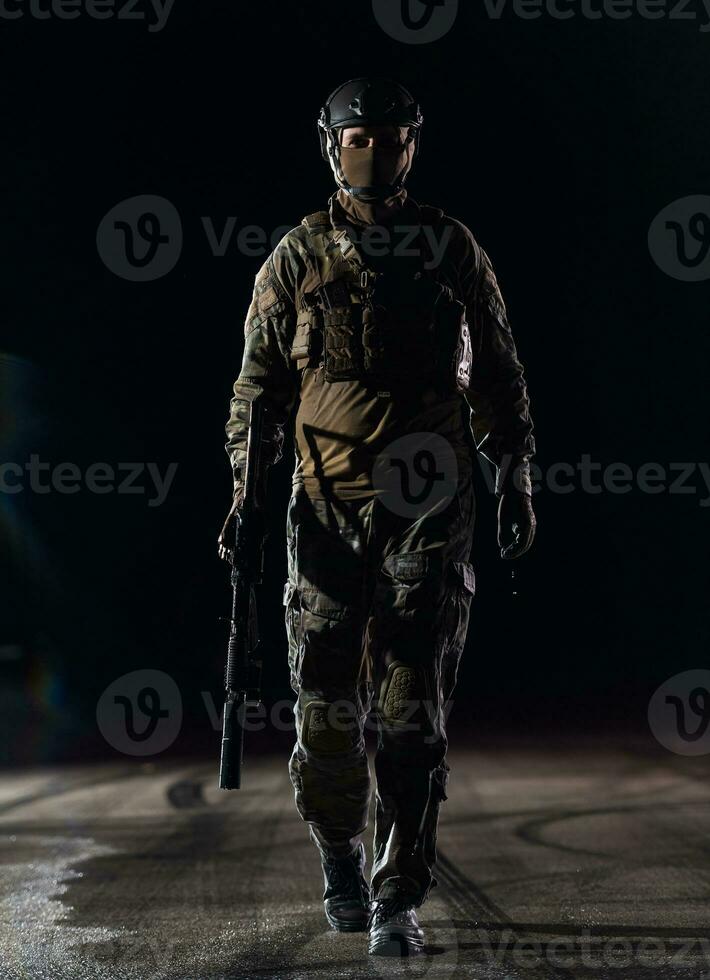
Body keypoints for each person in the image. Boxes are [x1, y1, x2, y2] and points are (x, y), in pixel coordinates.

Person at [221, 77, 536, 957]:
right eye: (359, 136)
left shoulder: (448, 247)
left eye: (392, 136)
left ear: (413, 145)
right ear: (331, 145)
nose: (376, 151)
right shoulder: (297, 257)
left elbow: (500, 371)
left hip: (427, 505)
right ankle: (341, 855)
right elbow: (258, 391)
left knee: (410, 710)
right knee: (324, 709)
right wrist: (246, 493)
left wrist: (515, 475)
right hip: (326, 503)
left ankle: (398, 894)